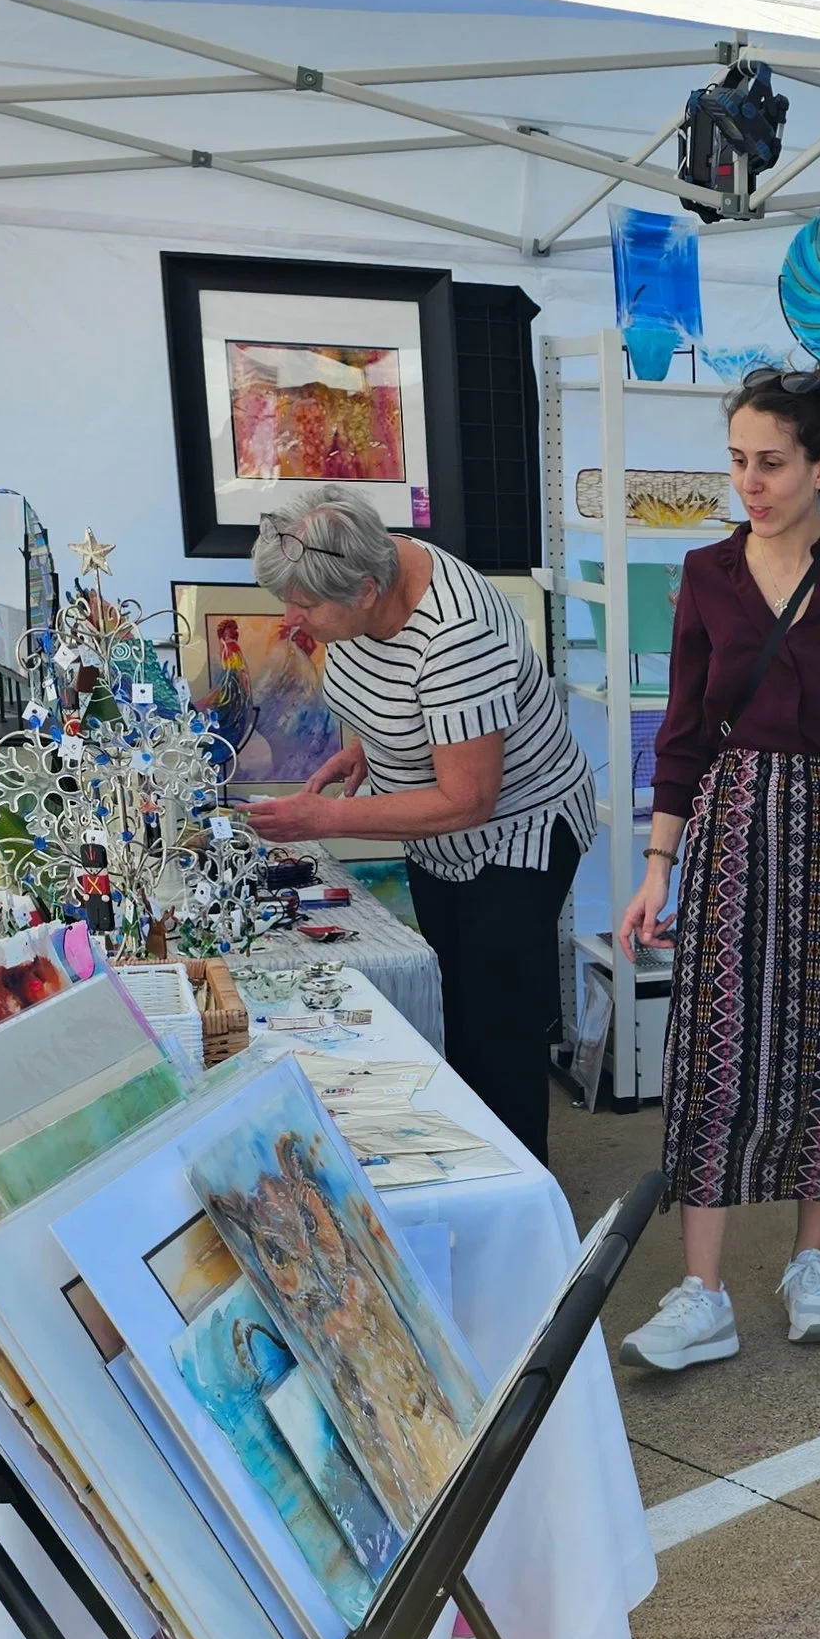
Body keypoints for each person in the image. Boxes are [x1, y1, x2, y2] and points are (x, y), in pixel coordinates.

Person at [614, 365, 820, 1369]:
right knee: (713, 1054)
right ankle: (702, 1291)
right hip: (730, 830)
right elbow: (680, 734)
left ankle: (808, 1262)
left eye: (771, 462)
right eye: (738, 461)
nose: (748, 482)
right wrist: (656, 866)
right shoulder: (706, 576)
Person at [245, 484, 595, 1164]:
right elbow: (395, 698)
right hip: (439, 834)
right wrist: (365, 746)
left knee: (497, 1028)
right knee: (454, 1008)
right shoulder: (361, 578)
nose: (292, 618)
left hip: (517, 836)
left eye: (306, 605)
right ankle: (463, 1168)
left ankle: (519, 1198)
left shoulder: (458, 635)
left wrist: (328, 817)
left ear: (368, 589)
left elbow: (468, 800)